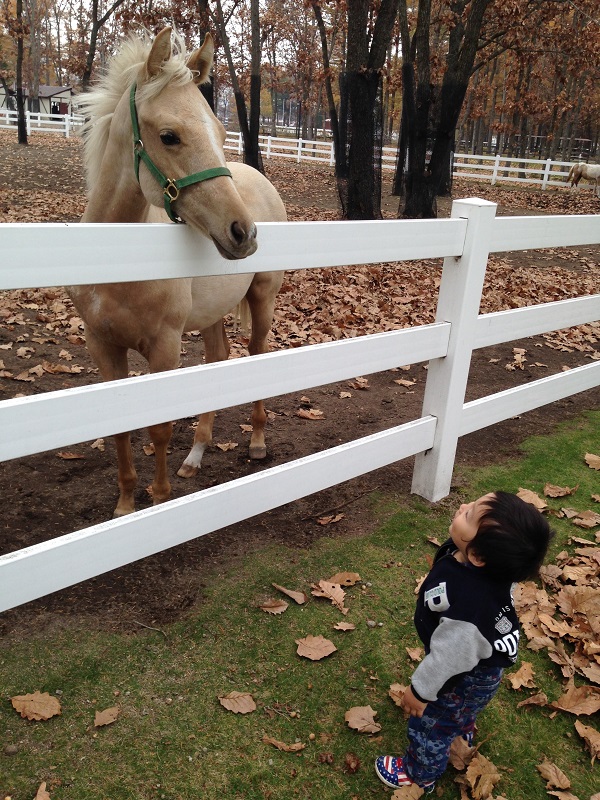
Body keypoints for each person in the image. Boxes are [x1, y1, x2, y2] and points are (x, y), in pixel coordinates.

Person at [375, 491, 553, 793]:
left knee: (430, 723)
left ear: (478, 556)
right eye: (470, 507)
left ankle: (419, 774)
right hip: (476, 662)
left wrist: (420, 692)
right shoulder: (487, 565)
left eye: (468, 515)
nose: (462, 507)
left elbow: (447, 661)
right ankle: (461, 725)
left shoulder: (470, 614)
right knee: (458, 712)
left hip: (465, 675)